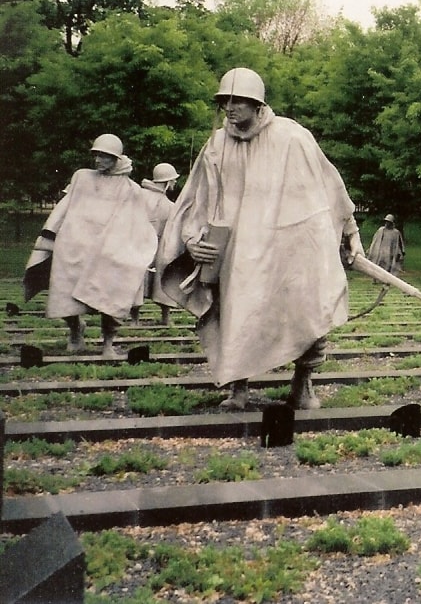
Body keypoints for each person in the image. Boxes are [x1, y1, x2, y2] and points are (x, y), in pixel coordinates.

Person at [157, 67, 363, 410]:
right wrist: (192, 239)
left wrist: (351, 231)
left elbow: (329, 186)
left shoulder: (292, 138)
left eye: (238, 101)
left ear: (257, 104)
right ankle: (238, 388)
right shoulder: (217, 145)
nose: (230, 108)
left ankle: (303, 382)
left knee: (308, 308)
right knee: (234, 313)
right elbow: (198, 198)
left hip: (290, 245)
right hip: (238, 253)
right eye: (226, 101)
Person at [23, 134, 158, 358]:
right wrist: (50, 234)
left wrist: (135, 251)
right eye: (96, 155)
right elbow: (65, 205)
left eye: (104, 156)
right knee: (65, 293)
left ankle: (108, 344)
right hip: (75, 246)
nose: (98, 160)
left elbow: (137, 222)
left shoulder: (131, 189)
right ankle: (76, 332)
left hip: (109, 251)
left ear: (116, 158)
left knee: (112, 296)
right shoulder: (82, 178)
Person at [131, 163, 181, 326]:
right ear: (167, 182)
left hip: (141, 244)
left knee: (138, 279)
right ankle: (165, 317)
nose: (174, 184)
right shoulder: (169, 206)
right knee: (162, 277)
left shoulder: (139, 196)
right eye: (173, 181)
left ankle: (134, 319)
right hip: (152, 244)